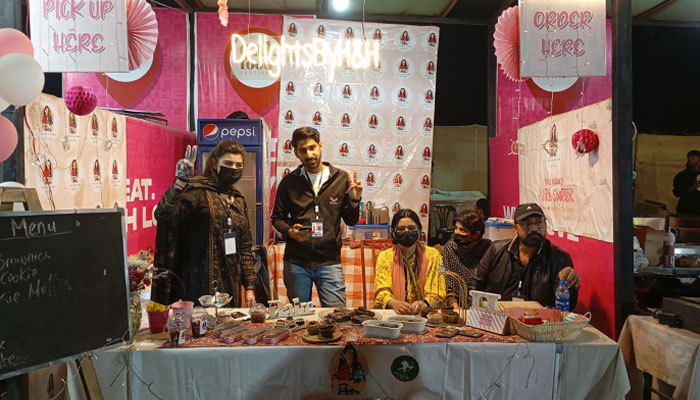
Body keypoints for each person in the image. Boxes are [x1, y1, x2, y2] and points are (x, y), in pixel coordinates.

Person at [151, 141, 256, 307]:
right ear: (215, 163)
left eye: (239, 165)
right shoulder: (197, 192)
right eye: (228, 163)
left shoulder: (238, 199)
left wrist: (249, 286)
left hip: (231, 279)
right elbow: (163, 215)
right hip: (200, 278)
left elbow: (244, 245)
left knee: (229, 329)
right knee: (201, 328)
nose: (234, 169)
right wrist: (180, 183)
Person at [271, 126, 362, 307]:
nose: (309, 155)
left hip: (329, 262)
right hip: (296, 263)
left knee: (337, 317)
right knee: (300, 319)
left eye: (312, 148)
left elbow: (351, 220)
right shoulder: (289, 182)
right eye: (302, 150)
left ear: (320, 146)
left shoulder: (341, 179)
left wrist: (354, 200)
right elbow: (277, 218)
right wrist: (289, 231)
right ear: (296, 153)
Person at [474, 203, 580, 308]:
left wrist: (571, 285)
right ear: (515, 228)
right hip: (497, 318)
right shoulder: (496, 250)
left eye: (539, 222)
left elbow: (566, 306)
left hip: (537, 322)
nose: (534, 228)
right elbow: (475, 285)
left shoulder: (559, 259)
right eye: (526, 223)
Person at [374, 209, 445, 314]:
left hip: (425, 315)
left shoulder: (433, 255)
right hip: (394, 314)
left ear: (420, 231)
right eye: (401, 229)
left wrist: (425, 303)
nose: (406, 232)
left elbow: (438, 291)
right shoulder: (385, 256)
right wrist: (393, 303)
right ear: (393, 232)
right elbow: (381, 291)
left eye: (412, 228)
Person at [443, 212, 492, 307]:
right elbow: (450, 282)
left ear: (476, 234)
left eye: (463, 230)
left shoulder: (488, 248)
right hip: (458, 304)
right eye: (456, 228)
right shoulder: (451, 247)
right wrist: (454, 304)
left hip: (483, 303)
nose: (456, 232)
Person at [672, 150, 700, 215]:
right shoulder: (682, 175)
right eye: (688, 158)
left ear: (699, 159)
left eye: (693, 158)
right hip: (686, 210)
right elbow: (676, 192)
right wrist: (691, 188)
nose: (690, 160)